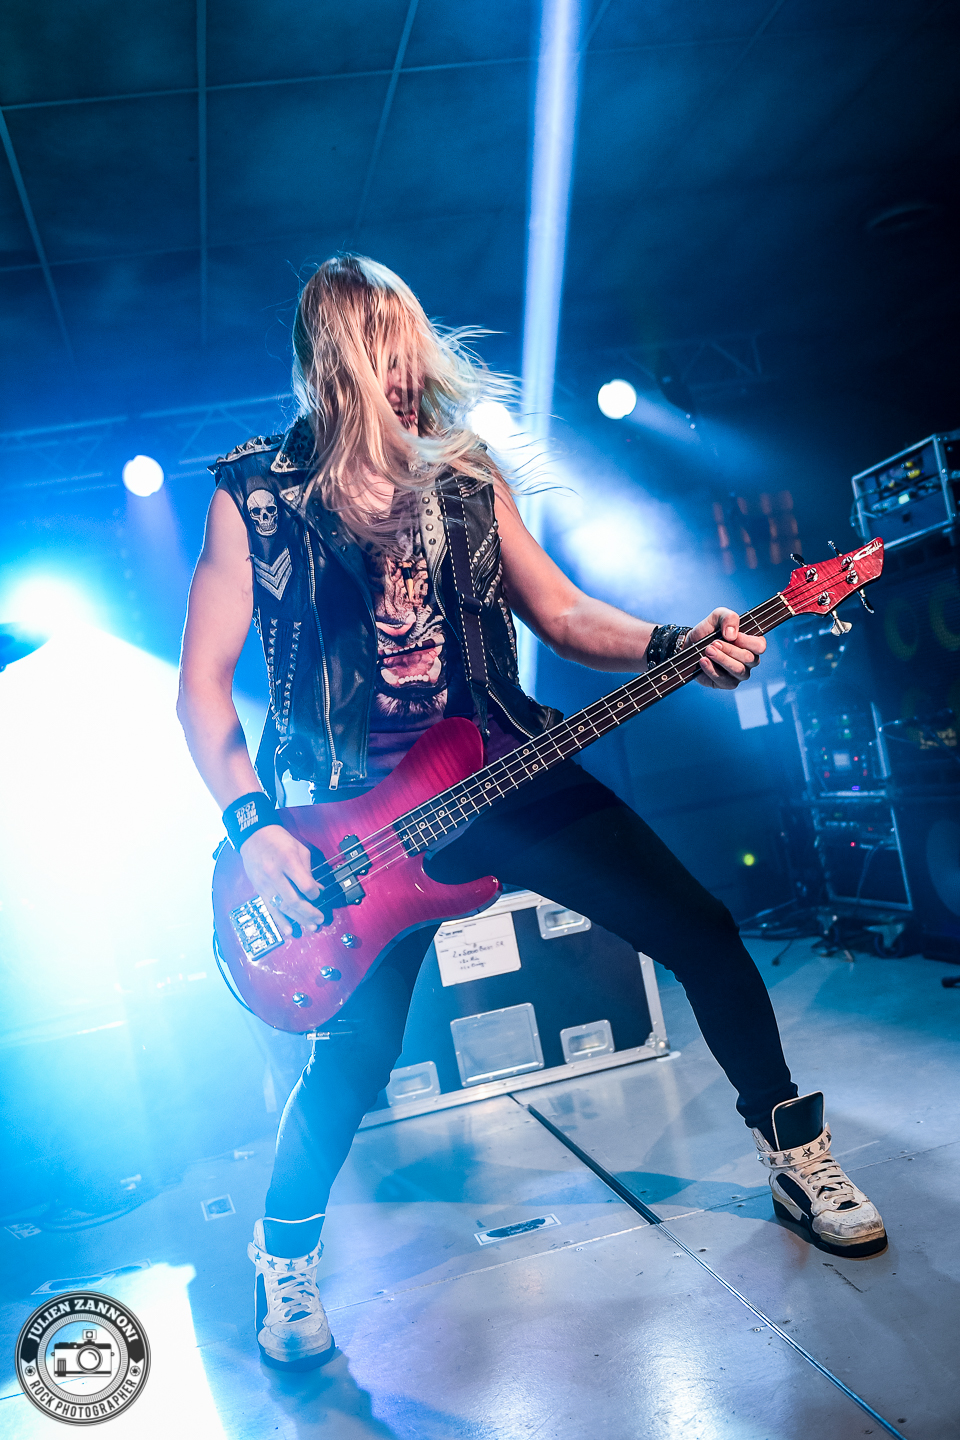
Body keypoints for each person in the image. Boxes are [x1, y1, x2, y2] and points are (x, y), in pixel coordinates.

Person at [177, 254, 886, 1372]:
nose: (406, 379)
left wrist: (676, 642)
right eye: (381, 358)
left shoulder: (462, 474)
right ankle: (284, 1258)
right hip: (355, 827)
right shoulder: (257, 496)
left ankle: (796, 1153)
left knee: (702, 930)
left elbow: (560, 614)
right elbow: (202, 689)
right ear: (332, 363)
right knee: (355, 1057)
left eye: (411, 354)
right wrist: (252, 824)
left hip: (503, 767)